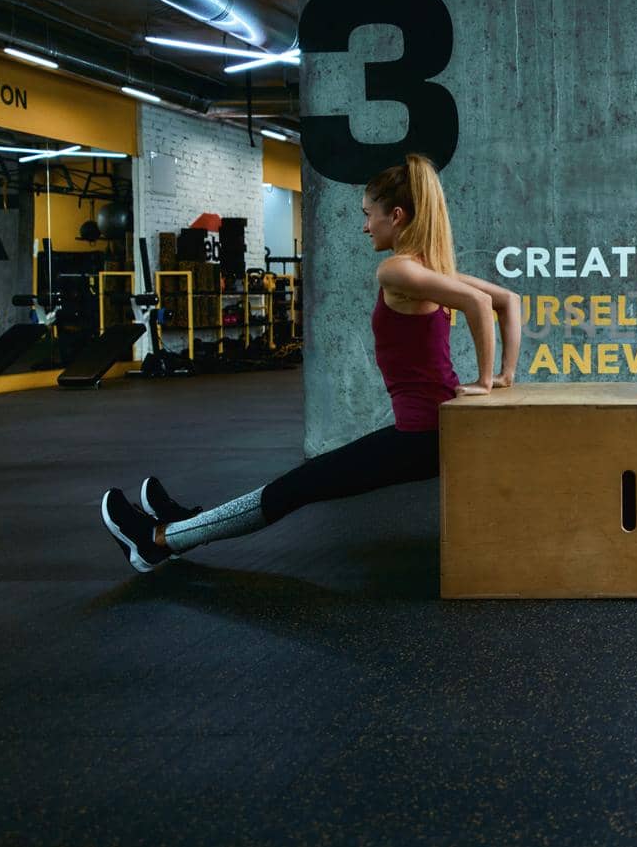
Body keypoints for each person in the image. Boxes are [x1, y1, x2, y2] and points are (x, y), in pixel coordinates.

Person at [99, 154, 523, 574]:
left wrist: (487, 380)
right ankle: (181, 525)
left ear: (395, 216)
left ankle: (157, 541)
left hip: (419, 436)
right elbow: (509, 301)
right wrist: (505, 374)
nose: (364, 226)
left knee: (291, 490)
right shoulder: (435, 271)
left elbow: (482, 303)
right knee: (296, 487)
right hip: (429, 431)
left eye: (368, 215)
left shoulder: (397, 270)